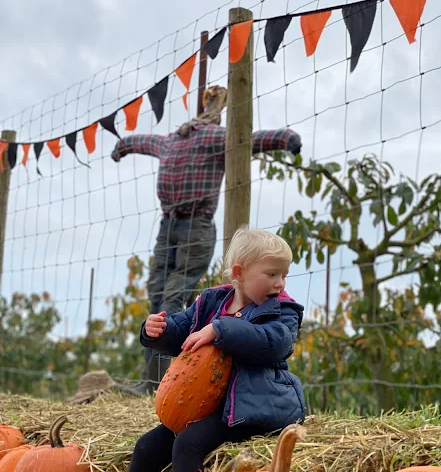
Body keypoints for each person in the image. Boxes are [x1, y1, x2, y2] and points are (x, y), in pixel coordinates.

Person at [111, 85, 302, 396]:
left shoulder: (212, 138)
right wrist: (123, 146)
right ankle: (156, 373)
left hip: (195, 224)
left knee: (173, 292)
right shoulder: (172, 141)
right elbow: (144, 142)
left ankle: (158, 382)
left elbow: (250, 140)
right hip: (168, 223)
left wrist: (286, 139)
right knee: (157, 291)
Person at [127, 227, 305, 472]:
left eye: (284, 275)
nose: (280, 283)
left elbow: (274, 343)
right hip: (205, 407)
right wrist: (157, 332)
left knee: (188, 444)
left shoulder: (281, 311)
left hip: (250, 408)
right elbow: (184, 332)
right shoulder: (212, 301)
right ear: (239, 273)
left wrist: (220, 329)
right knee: (147, 445)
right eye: (271, 274)